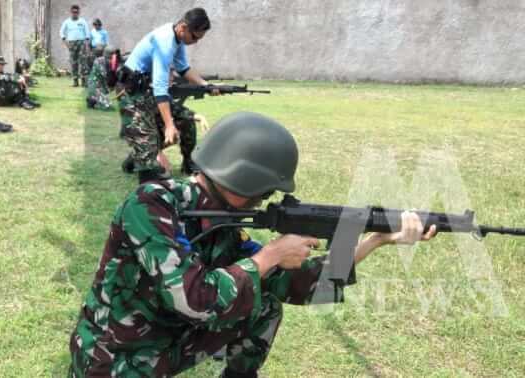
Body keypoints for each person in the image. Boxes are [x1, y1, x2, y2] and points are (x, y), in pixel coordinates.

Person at [68, 112, 438, 378]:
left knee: (263, 306)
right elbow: (193, 298)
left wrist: (376, 240)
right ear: (242, 178)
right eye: (264, 191)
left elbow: (302, 285)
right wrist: (271, 254)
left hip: (168, 343)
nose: (265, 200)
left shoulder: (227, 222)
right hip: (115, 358)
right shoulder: (151, 204)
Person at [117, 7, 213, 183]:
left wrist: (206, 85)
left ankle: (179, 161)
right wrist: (169, 125)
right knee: (154, 171)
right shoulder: (165, 42)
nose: (196, 42)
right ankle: (144, 161)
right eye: (195, 37)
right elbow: (160, 87)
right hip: (132, 95)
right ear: (183, 28)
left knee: (185, 121)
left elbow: (183, 68)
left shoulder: (178, 38)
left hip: (147, 92)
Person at [60, 4, 91, 87]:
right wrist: (65, 42)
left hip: (81, 43)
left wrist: (86, 44)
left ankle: (84, 81)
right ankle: (75, 81)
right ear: (71, 12)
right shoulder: (67, 22)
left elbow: (87, 33)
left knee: (83, 62)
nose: (75, 13)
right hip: (72, 43)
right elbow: (61, 32)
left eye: (76, 12)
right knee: (73, 62)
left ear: (79, 12)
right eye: (73, 12)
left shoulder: (82, 21)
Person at [85, 46, 114, 110]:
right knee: (107, 106)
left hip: (101, 86)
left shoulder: (107, 61)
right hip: (94, 86)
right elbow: (105, 74)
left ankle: (92, 99)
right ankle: (92, 99)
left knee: (109, 104)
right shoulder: (99, 61)